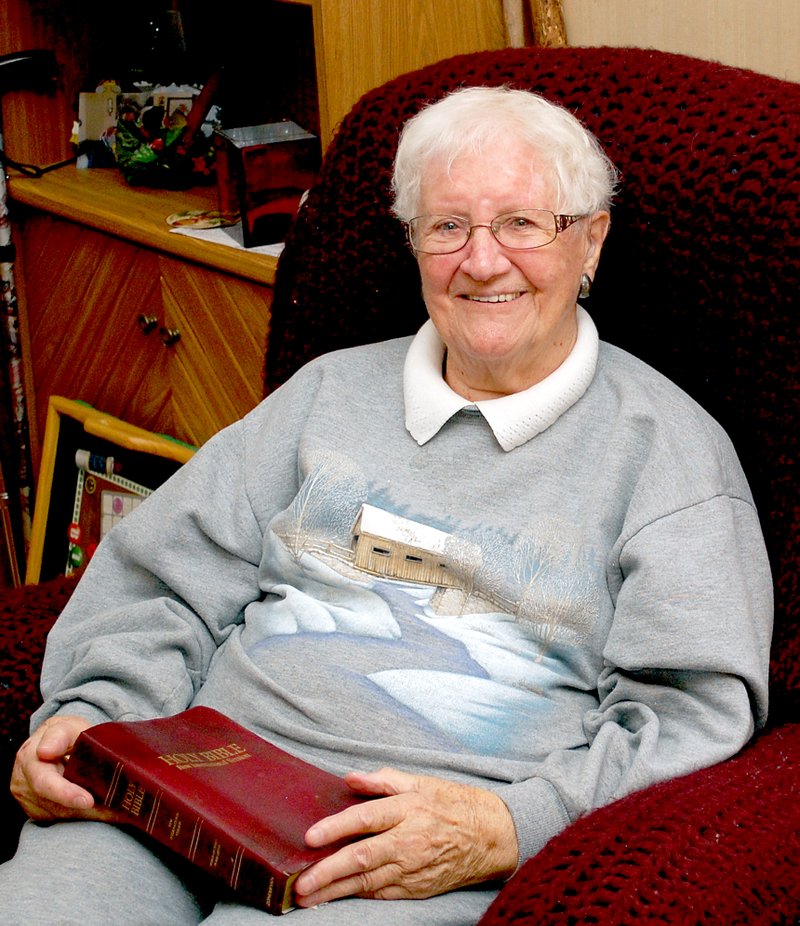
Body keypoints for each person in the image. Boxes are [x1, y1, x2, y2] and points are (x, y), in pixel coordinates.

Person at [1, 86, 772, 925]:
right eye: (448, 227)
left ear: (591, 241)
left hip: (412, 848)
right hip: (190, 783)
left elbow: (688, 716)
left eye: (522, 223)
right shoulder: (327, 394)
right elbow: (160, 581)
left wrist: (514, 824)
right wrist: (92, 718)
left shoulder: (670, 459)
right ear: (413, 243)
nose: (482, 261)